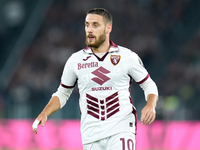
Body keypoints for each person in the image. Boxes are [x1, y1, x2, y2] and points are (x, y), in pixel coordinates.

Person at [32, 8, 158, 150]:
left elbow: (149, 85)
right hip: (91, 134)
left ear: (108, 28)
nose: (89, 30)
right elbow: (62, 93)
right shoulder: (76, 60)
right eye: (87, 25)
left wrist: (150, 105)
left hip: (121, 129)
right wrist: (44, 113)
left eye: (95, 25)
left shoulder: (126, 56)